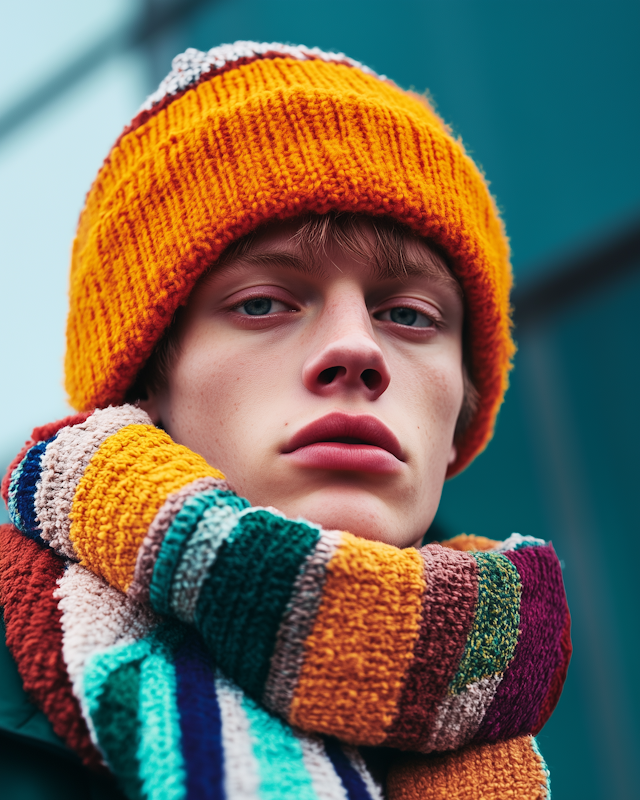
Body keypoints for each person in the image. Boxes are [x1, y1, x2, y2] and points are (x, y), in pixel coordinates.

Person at [0, 42, 571, 799]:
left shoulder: (491, 714)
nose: (355, 350)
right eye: (263, 303)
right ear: (141, 390)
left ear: (461, 407)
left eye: (408, 314)